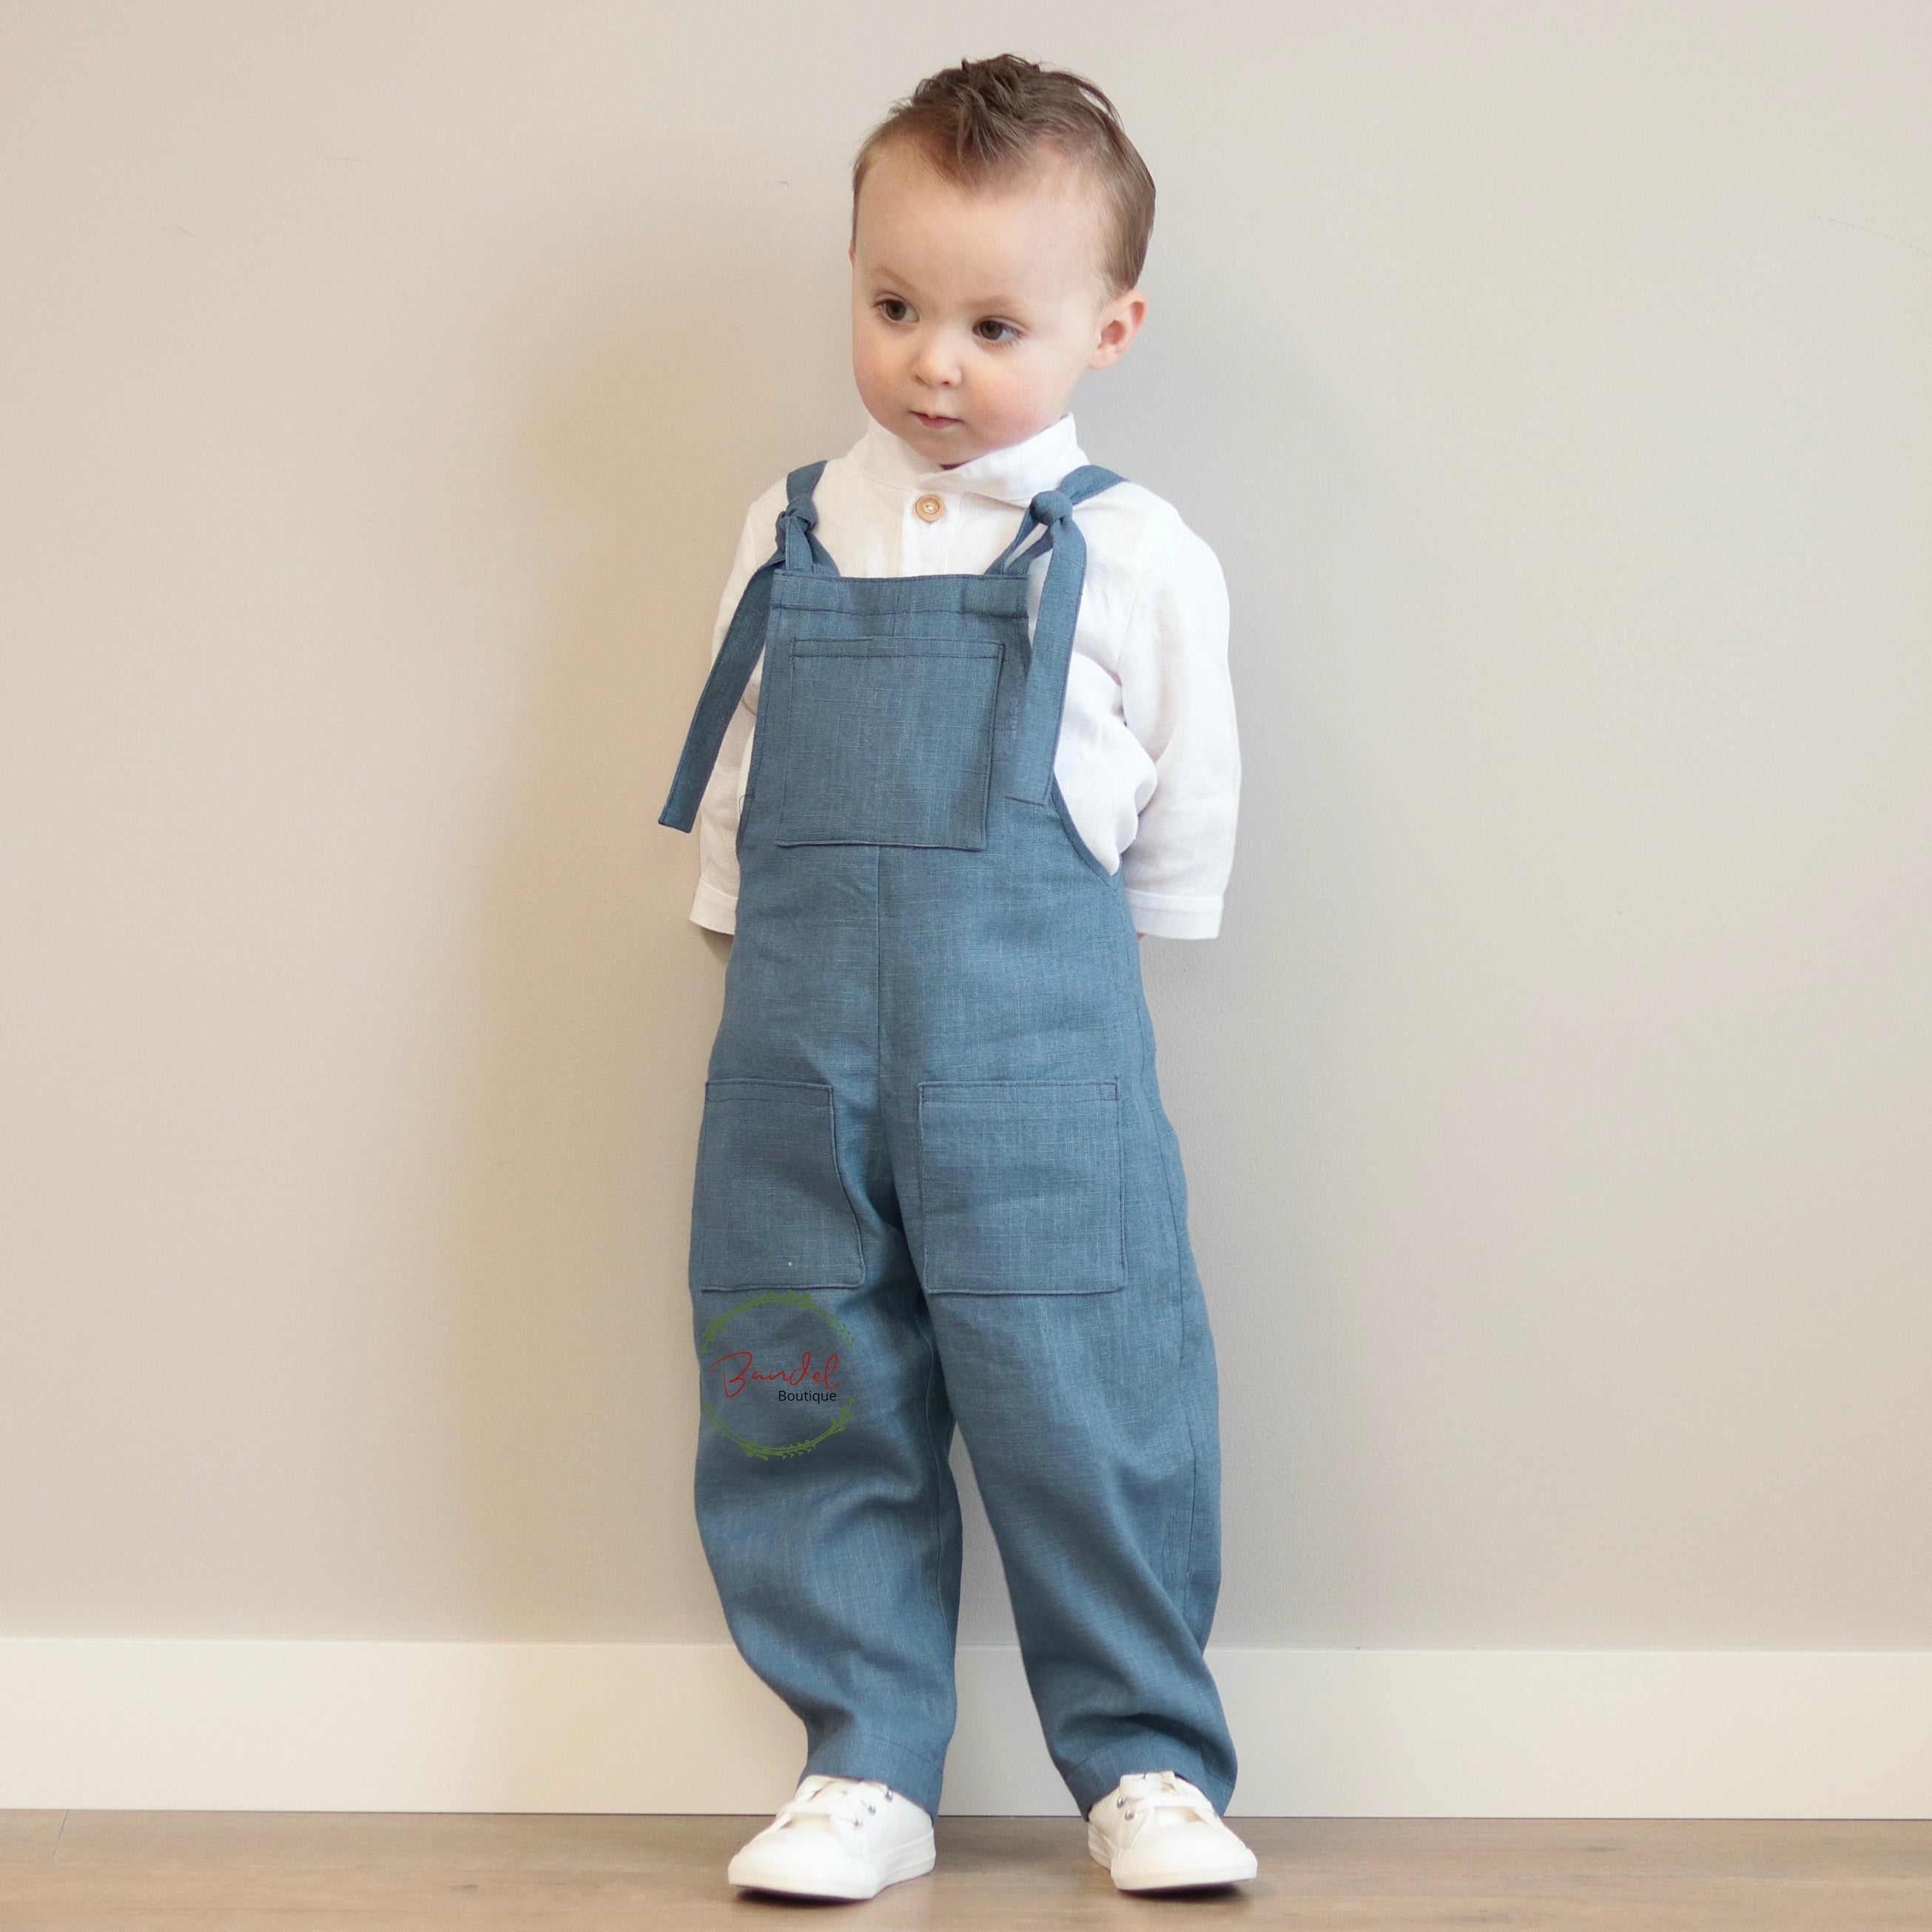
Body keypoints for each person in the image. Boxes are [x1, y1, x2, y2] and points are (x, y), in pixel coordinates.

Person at [658, 53, 1254, 1901]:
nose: (934, 360)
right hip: (795, 1065)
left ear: (1110, 326)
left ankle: (1143, 1753)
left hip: (1040, 1067)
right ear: (851, 273)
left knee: (1089, 1395)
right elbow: (742, 799)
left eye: (994, 322)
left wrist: (1086, 983)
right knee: (801, 1382)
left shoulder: (1134, 555)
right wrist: (744, 945)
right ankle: (860, 1757)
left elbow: (1183, 808)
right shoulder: (784, 533)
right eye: (895, 303)